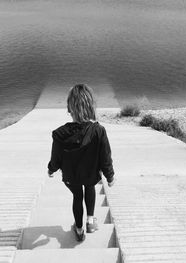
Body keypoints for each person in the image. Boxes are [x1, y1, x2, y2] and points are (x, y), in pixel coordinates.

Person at [47, 84, 115, 242]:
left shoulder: (60, 134)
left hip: (71, 176)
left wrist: (51, 170)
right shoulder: (98, 131)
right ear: (91, 106)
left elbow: (55, 160)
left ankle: (79, 230)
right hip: (90, 174)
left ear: (69, 108)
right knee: (89, 187)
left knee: (77, 195)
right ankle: (90, 221)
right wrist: (110, 177)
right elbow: (106, 158)